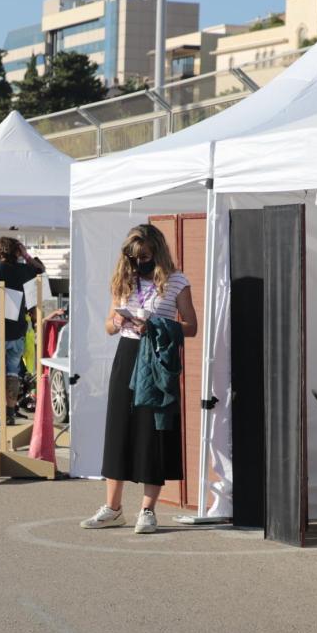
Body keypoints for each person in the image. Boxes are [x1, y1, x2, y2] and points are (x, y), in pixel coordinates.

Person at [81, 224, 197, 535]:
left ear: (157, 251)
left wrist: (157, 325)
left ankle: (148, 509)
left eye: (144, 256)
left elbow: (191, 326)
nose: (139, 262)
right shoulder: (124, 279)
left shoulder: (176, 281)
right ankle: (113, 508)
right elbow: (108, 326)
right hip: (128, 353)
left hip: (157, 358)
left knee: (153, 431)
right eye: (133, 257)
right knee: (118, 427)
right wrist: (117, 320)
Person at [0, 237, 45, 426]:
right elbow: (41, 270)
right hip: (17, 330)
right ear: (17, 252)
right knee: (13, 373)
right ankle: (10, 413)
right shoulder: (25, 270)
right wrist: (26, 255)